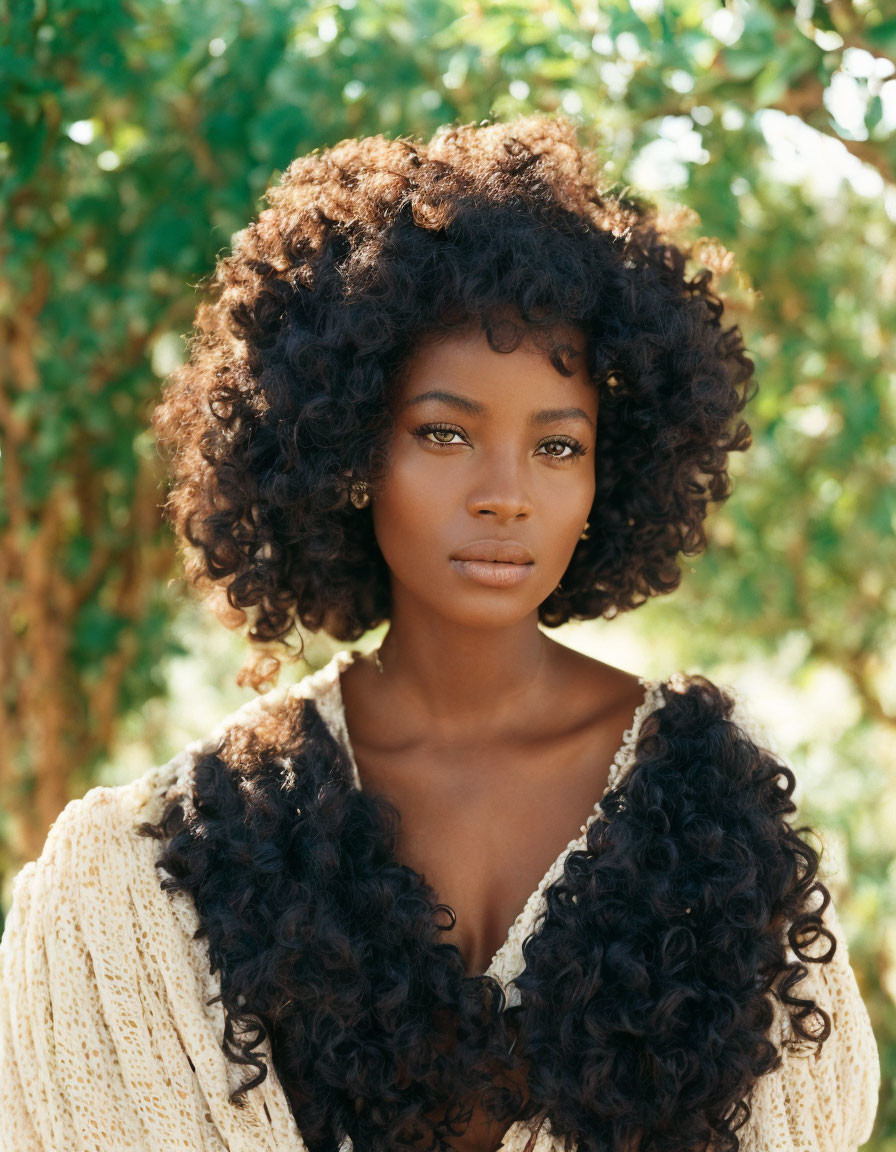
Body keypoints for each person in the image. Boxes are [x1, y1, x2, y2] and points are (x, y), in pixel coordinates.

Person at [0, 115, 880, 1152]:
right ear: (349, 446)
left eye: (557, 445)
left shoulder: (718, 818)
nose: (504, 495)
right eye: (445, 433)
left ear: (611, 474)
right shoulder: (149, 873)